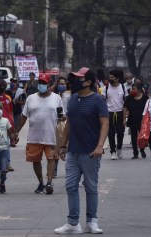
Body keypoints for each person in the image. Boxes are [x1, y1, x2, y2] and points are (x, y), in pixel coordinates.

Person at [54, 67, 108, 235]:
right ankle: (73, 223)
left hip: (90, 152)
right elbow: (69, 123)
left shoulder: (98, 100)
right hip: (73, 151)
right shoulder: (73, 98)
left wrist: (100, 146)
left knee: (91, 187)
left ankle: (92, 222)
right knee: (70, 186)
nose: (75, 81)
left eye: (79, 78)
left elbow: (105, 124)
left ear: (89, 82)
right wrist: (63, 145)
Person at [15, 73, 63, 194]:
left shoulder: (56, 98)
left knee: (51, 159)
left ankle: (49, 182)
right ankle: (41, 183)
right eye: (40, 83)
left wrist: (63, 136)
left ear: (48, 84)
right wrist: (16, 132)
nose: (41, 85)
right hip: (34, 136)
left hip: (51, 136)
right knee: (36, 161)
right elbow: (23, 116)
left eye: (44, 83)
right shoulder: (31, 98)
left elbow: (62, 116)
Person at [101, 70, 128, 159]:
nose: (110, 79)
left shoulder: (123, 88)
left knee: (120, 133)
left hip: (120, 113)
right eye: (110, 77)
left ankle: (119, 148)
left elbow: (125, 104)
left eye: (112, 77)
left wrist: (124, 117)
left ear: (117, 78)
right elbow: (102, 100)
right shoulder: (106, 88)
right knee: (111, 133)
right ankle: (113, 151)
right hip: (109, 113)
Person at [123, 83, 148, 159]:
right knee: (133, 137)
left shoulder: (145, 98)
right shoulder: (129, 98)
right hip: (132, 120)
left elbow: (148, 109)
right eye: (131, 88)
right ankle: (135, 153)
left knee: (141, 137)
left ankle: (142, 149)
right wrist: (124, 118)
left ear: (139, 90)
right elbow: (125, 108)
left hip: (142, 121)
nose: (132, 90)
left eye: (134, 89)